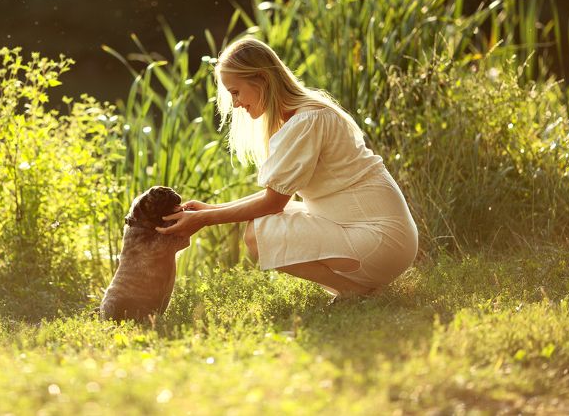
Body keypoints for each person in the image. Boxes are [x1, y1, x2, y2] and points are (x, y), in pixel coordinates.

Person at [155, 37, 418, 298]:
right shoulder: (303, 114)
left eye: (236, 92)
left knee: (259, 232)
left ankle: (353, 291)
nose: (235, 103)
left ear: (262, 79)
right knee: (263, 223)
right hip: (380, 237)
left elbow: (273, 204)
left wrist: (204, 219)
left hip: (381, 241)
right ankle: (355, 290)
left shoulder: (306, 121)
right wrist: (211, 209)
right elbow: (277, 195)